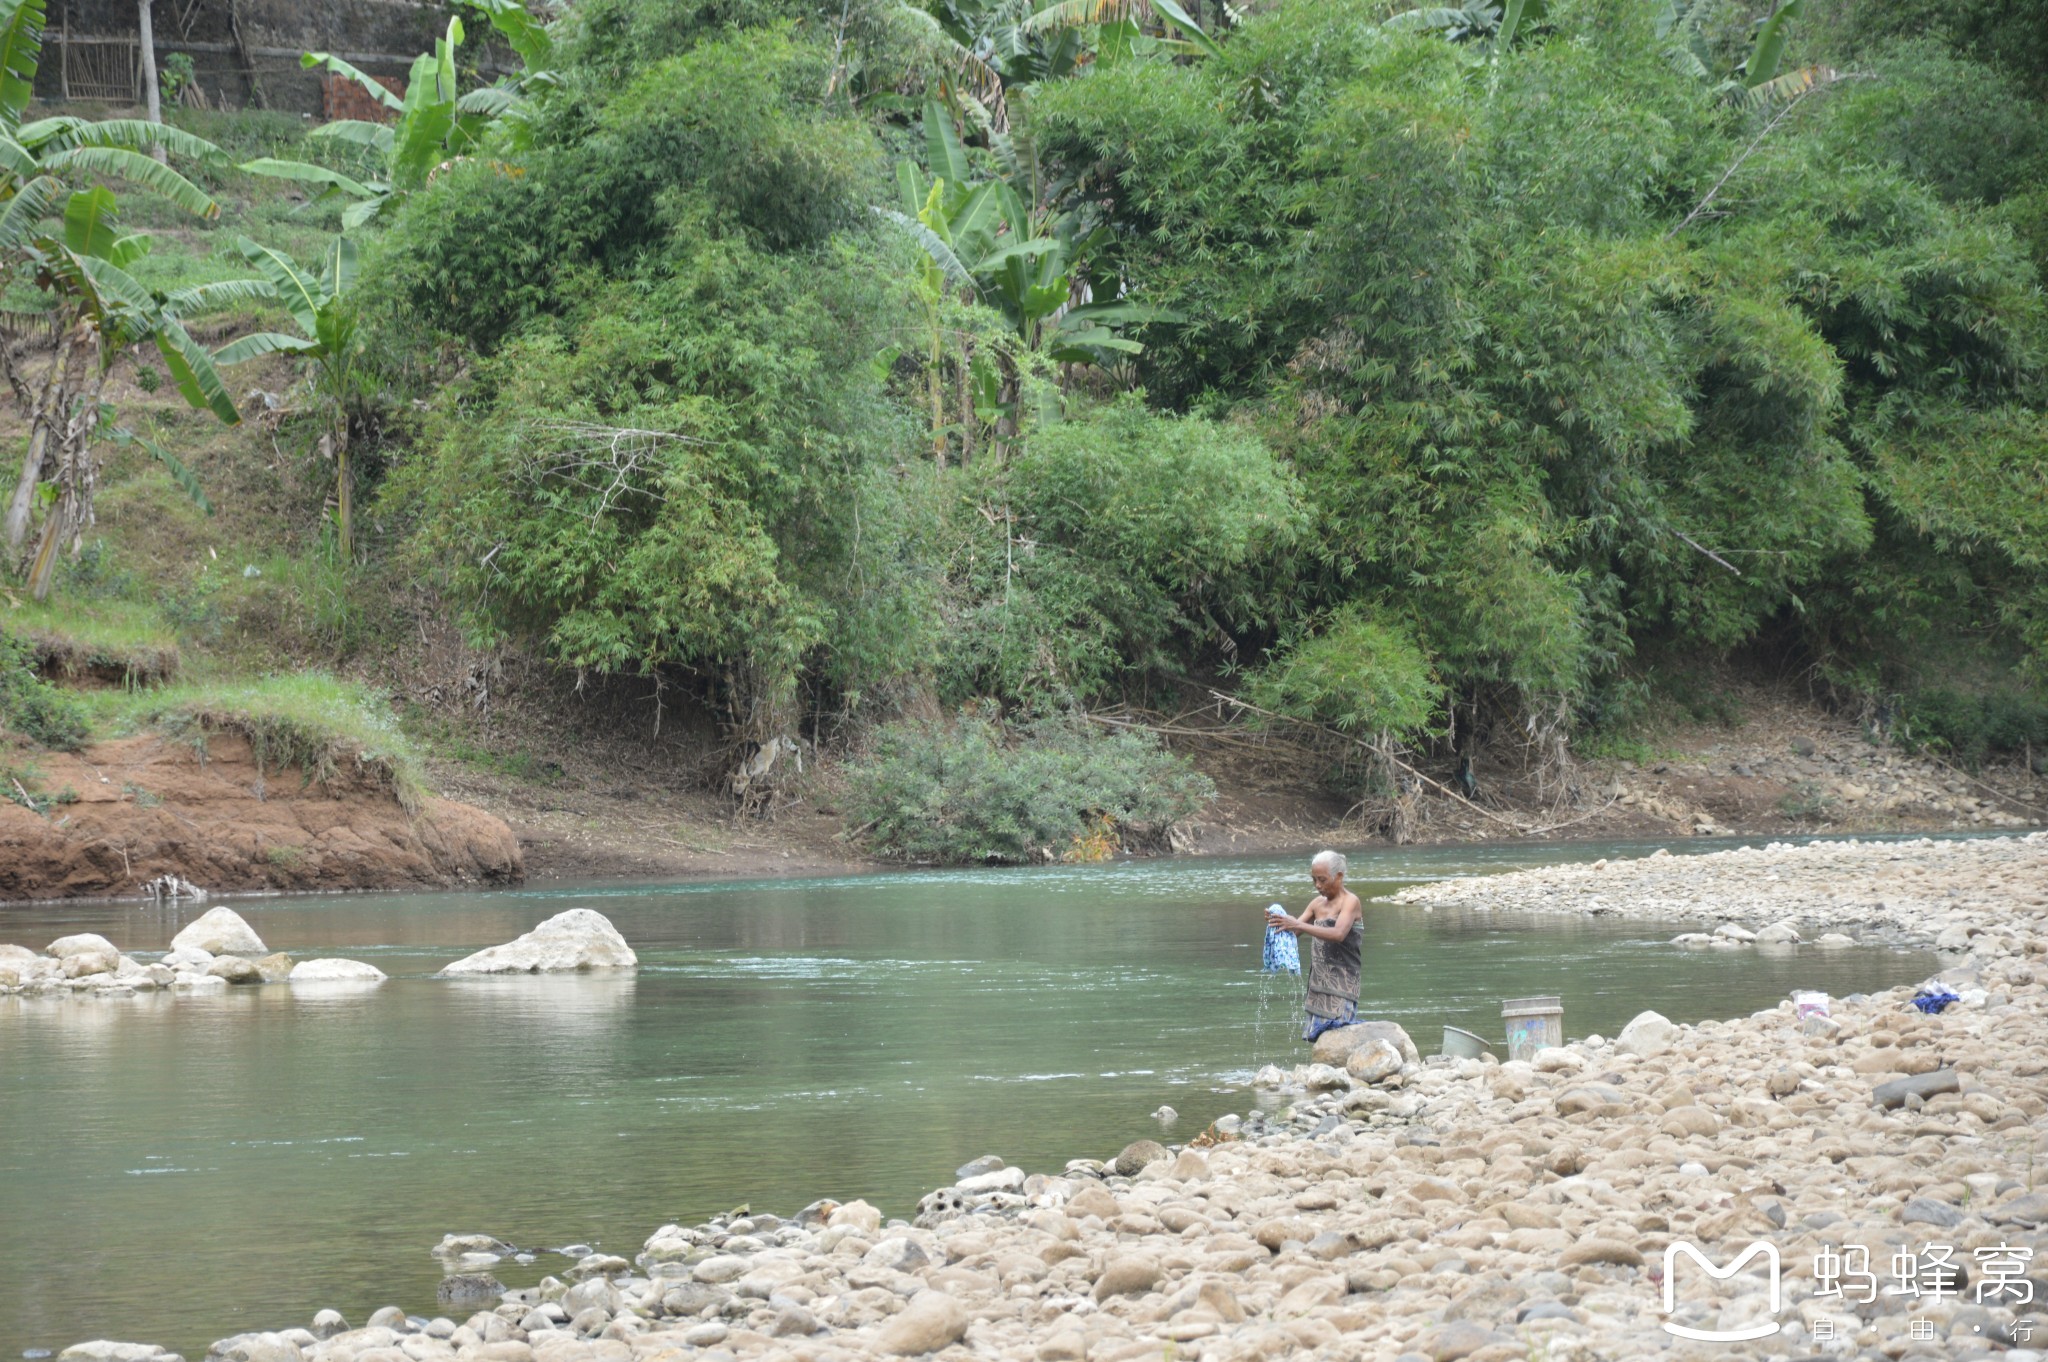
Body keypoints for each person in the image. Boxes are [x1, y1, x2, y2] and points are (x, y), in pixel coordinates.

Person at [1265, 849, 1364, 1042]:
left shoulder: (1350, 902)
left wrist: (1298, 924)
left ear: (1339, 876)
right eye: (1314, 880)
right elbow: (1293, 933)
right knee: (1319, 1041)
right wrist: (1275, 921)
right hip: (1318, 984)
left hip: (1343, 984)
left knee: (1341, 1038)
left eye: (1322, 880)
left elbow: (1338, 934)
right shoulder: (1317, 904)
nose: (1318, 885)